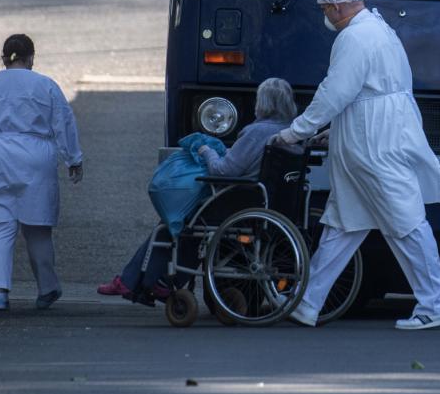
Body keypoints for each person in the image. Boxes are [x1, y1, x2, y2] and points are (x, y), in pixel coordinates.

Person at [281, 0, 440, 330]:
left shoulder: (354, 37)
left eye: (326, 9)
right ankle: (308, 302)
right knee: (343, 224)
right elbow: (374, 91)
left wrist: (296, 130)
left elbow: (335, 92)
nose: (325, 15)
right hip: (376, 135)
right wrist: (337, 130)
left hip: (373, 144)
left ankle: (435, 304)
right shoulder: (379, 29)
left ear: (339, 7)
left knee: (405, 222)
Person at [97, 77, 298, 301]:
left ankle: (134, 281)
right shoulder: (291, 131)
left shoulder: (255, 132)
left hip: (237, 203)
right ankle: (157, 281)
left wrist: (205, 149)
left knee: (174, 221)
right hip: (264, 203)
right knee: (186, 223)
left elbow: (224, 171)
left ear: (263, 103)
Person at [0, 34, 84, 312]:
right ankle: (47, 288)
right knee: (37, 226)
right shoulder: (45, 86)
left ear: (4, 58)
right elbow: (63, 123)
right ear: (31, 57)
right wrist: (73, 159)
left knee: (0, 225)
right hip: (35, 156)